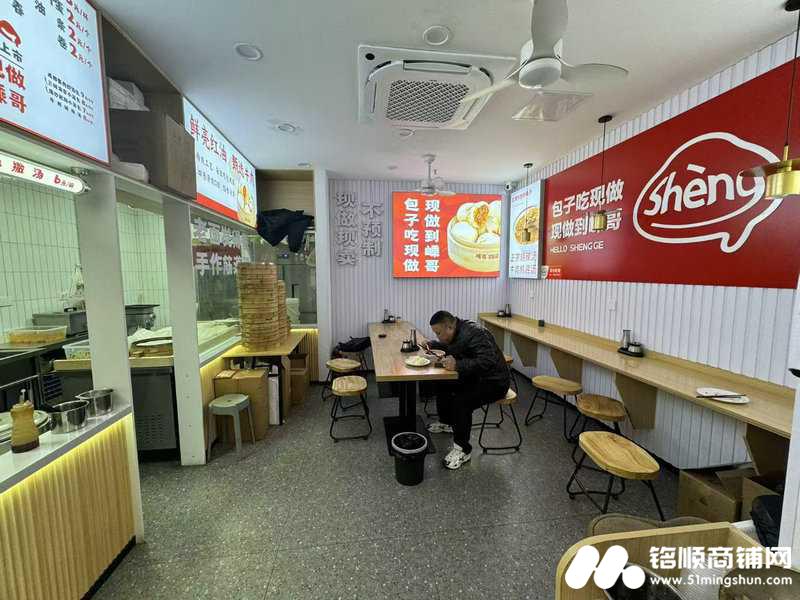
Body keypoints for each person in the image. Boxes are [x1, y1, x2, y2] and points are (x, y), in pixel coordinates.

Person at [421, 310, 510, 470]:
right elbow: (453, 347)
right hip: (477, 376)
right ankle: (447, 422)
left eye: (438, 333)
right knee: (442, 383)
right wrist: (433, 344)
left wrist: (458, 365)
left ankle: (463, 449)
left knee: (461, 401)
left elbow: (487, 361)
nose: (438, 336)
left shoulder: (475, 333)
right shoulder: (457, 332)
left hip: (495, 382)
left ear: (449, 327)